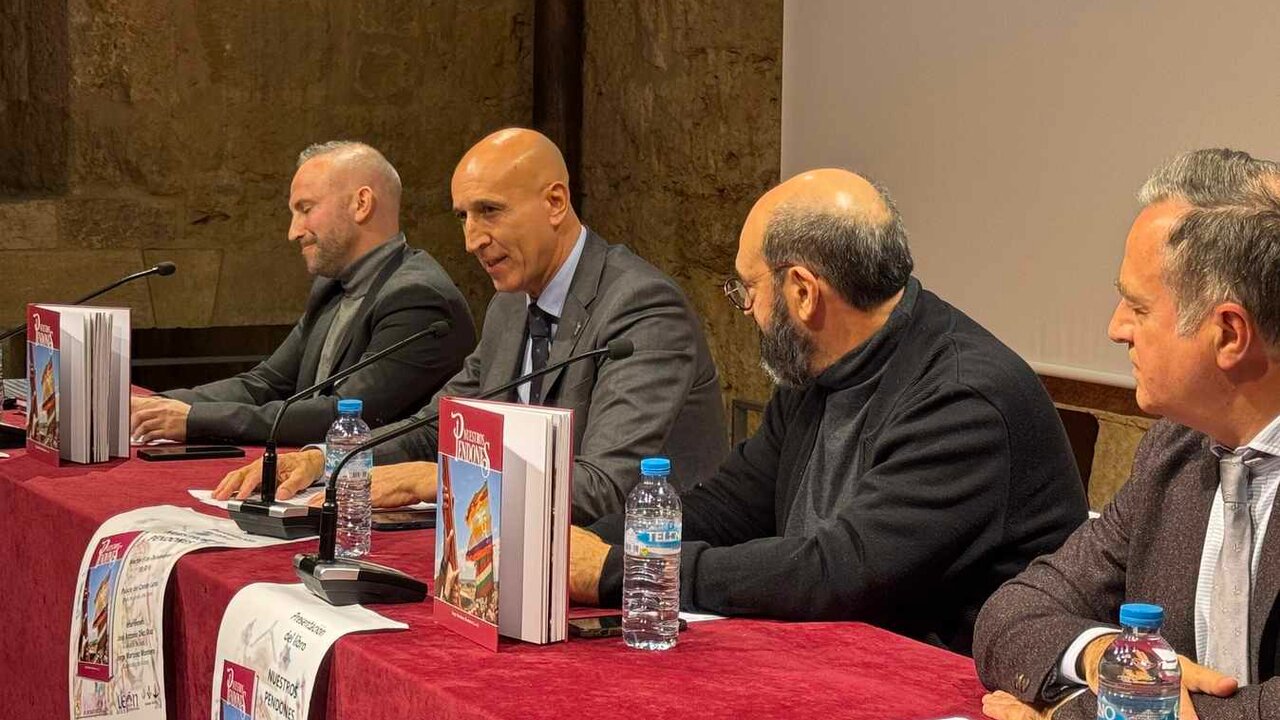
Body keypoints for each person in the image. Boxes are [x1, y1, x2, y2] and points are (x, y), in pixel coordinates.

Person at [567, 168, 1087, 654]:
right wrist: (585, 544)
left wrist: (628, 570)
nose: (747, 312)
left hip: (947, 686)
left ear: (803, 292)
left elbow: (841, 574)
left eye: (747, 291)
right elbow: (729, 508)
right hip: (839, 659)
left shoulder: (963, 400)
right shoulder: (816, 371)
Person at [214, 128, 728, 523]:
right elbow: (440, 425)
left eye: (490, 212)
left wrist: (433, 480)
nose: (472, 239)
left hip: (644, 581)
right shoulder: (510, 306)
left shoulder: (641, 306)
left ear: (554, 203)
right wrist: (324, 461)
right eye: (463, 216)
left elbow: (605, 486)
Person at [974, 149, 1280, 720]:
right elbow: (1015, 612)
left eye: (1138, 307)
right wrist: (1105, 655)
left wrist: (1079, 714)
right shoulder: (1176, 450)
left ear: (1230, 333)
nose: (1117, 328)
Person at [129, 141, 476, 446]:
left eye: (305, 209)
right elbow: (264, 383)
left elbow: (343, 415)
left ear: (362, 204)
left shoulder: (418, 299)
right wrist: (157, 405)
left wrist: (194, 420)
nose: (293, 232)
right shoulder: (332, 287)